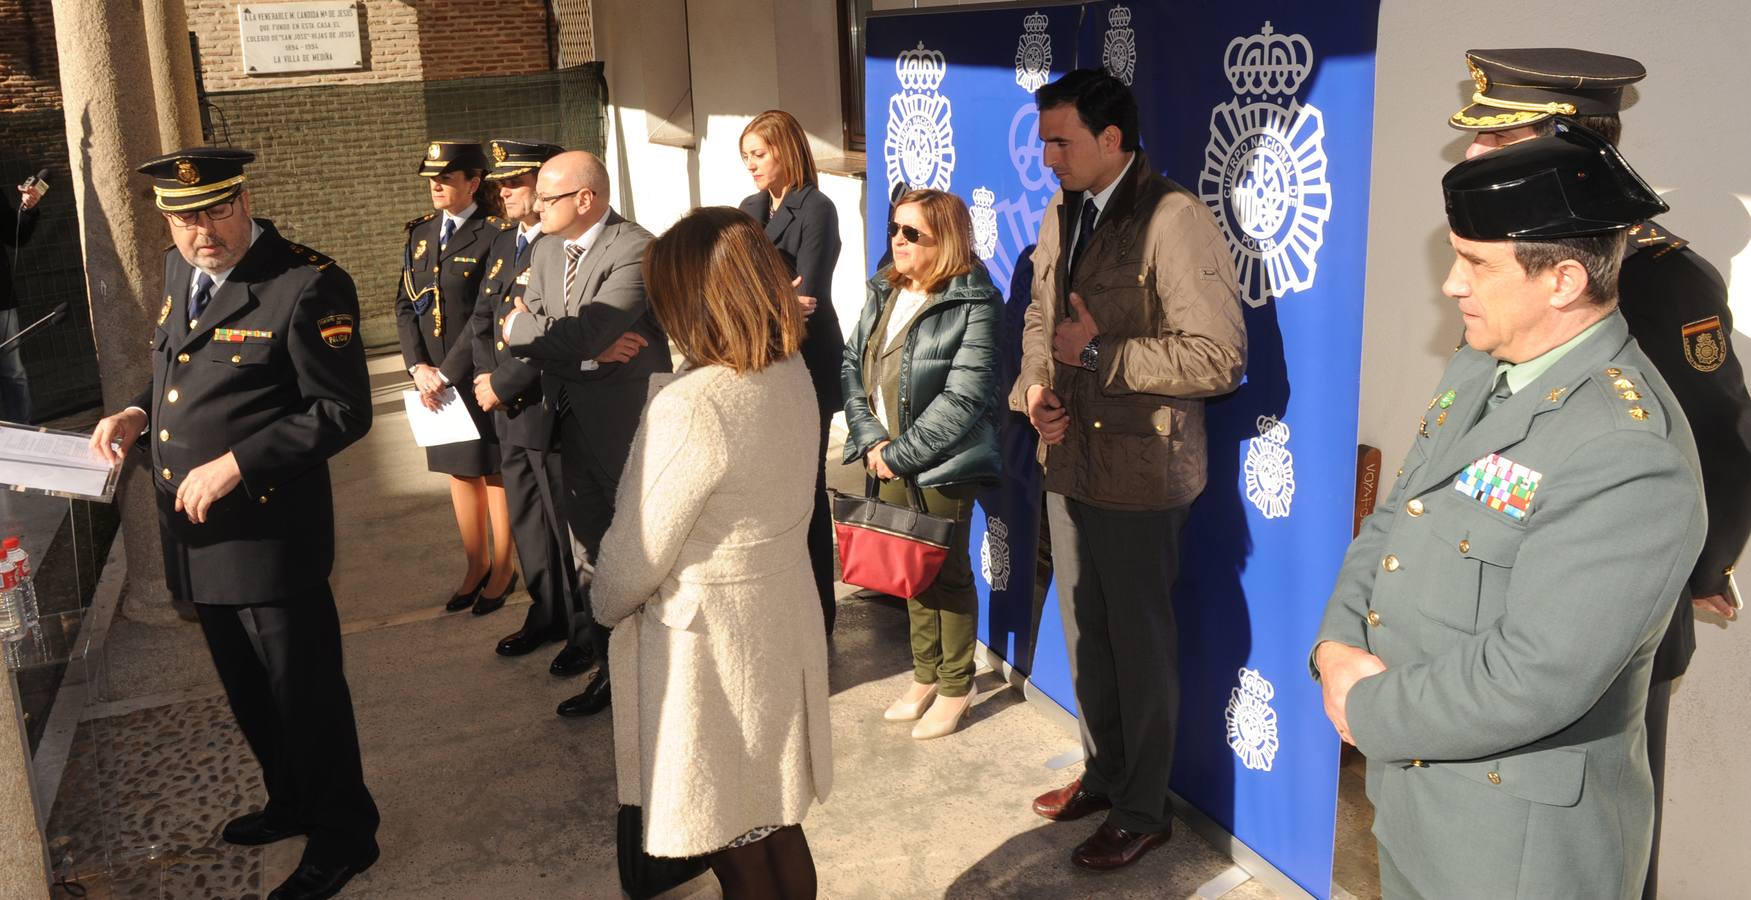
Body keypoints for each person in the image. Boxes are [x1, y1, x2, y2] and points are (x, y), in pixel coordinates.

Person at [1312, 126, 1705, 899]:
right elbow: (1395, 521)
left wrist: (1364, 705)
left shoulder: (1625, 453)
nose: (1451, 285)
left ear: (1561, 280)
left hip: (1517, 851)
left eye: (1474, 264)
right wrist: (1333, 646)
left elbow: (1534, 676)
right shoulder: (1479, 368)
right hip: (1416, 807)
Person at [1449, 49, 1751, 897]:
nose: (1473, 156)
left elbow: (1718, 444)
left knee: (1593, 854)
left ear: (1566, 141)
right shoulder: (1500, 262)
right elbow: (1486, 448)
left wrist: (1695, 564)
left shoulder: (1659, 279)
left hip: (1605, 614)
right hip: (1492, 603)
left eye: (1496, 136)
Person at [90, 147, 379, 900]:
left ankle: (345, 835)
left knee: (304, 694)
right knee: (248, 689)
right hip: (198, 535)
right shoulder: (178, 270)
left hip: (268, 534)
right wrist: (134, 412)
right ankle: (290, 800)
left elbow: (342, 411)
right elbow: (175, 375)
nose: (201, 231)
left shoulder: (307, 284)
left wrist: (239, 463)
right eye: (184, 217)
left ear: (245, 200)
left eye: (216, 209)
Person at [1008, 70, 1246, 871]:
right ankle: (1105, 776)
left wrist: (1101, 355)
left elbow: (1219, 358)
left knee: (1140, 651)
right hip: (1068, 460)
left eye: (1059, 140)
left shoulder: (1173, 218)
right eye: (1043, 139)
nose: (1045, 157)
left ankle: (1144, 811)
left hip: (1144, 477)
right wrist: (1036, 387)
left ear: (1112, 140)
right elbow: (1042, 315)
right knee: (1087, 641)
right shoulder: (1061, 208)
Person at [592, 205, 830, 900]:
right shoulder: (788, 371)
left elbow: (635, 555)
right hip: (777, 621)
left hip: (708, 648)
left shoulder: (693, 403)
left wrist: (603, 601)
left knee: (734, 838)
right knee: (777, 820)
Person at [502, 151, 668, 718]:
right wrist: (585, 354)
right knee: (590, 553)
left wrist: (547, 335)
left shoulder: (637, 249)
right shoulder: (546, 247)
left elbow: (578, 328)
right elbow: (538, 332)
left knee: (641, 552)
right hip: (568, 421)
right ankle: (611, 672)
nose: (535, 203)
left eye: (547, 196)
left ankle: (659, 672)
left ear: (585, 200)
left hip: (625, 429)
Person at [840, 188, 1000, 740]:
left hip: (941, 464)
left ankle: (958, 686)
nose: (898, 242)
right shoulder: (884, 288)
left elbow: (966, 396)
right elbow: (850, 363)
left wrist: (898, 456)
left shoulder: (974, 302)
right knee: (906, 568)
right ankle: (926, 675)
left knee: (946, 573)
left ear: (946, 240)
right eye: (896, 230)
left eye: (913, 234)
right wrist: (869, 443)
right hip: (884, 455)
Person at [466, 139, 585, 646]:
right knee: (528, 520)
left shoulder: (557, 246)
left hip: (540, 402)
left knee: (564, 526)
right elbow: (482, 319)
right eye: (502, 182)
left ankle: (582, 630)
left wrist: (500, 382)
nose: (504, 190)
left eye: (515, 181)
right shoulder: (502, 241)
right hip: (504, 407)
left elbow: (553, 331)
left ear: (543, 184)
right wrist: (479, 378)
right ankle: (547, 612)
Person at [396, 139, 518, 615]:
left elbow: (482, 315)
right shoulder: (420, 234)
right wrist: (417, 366)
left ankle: (504, 569)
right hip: (433, 380)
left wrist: (446, 373)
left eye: (446, 178)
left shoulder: (495, 235)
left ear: (474, 182)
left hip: (475, 373)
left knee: (492, 472)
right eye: (432, 178)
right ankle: (475, 565)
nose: (436, 185)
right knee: (457, 470)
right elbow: (406, 304)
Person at [737, 109, 845, 634]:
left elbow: (810, 293)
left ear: (786, 150)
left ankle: (819, 611)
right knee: (769, 487)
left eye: (759, 154)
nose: (752, 166)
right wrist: (769, 296)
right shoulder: (750, 209)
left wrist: (765, 295)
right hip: (760, 356)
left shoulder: (816, 208)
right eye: (746, 157)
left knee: (807, 483)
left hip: (806, 360)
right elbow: (732, 280)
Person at [0, 175, 44, 422]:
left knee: (12, 371)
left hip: (1, 304)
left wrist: (29, 207)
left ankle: (22, 436)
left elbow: (16, 235)